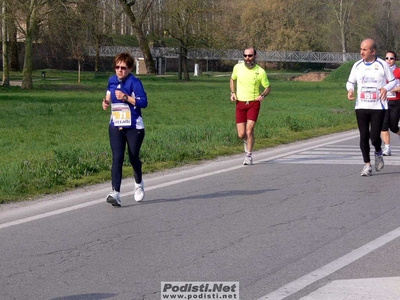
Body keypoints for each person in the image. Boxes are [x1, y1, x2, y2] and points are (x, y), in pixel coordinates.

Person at [102, 52, 148, 206]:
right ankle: (115, 193)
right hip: (116, 124)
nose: (119, 70)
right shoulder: (112, 80)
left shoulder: (135, 83)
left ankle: (138, 183)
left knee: (133, 157)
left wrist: (126, 98)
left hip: (134, 126)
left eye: (123, 68)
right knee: (117, 157)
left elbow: (144, 102)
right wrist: (106, 102)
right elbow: (109, 93)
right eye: (117, 67)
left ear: (129, 69)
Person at [346, 38, 396, 176]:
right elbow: (350, 82)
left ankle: (378, 152)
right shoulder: (357, 65)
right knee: (363, 136)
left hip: (378, 107)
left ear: (373, 51)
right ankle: (367, 165)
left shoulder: (382, 65)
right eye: (361, 49)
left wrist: (385, 88)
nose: (361, 52)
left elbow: (392, 81)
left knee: (374, 137)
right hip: (361, 105)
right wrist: (350, 90)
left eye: (365, 49)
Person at [230, 47, 271, 165]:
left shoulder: (261, 71)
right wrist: (233, 93)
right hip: (240, 103)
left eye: (250, 56)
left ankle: (248, 155)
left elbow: (268, 87)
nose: (247, 58)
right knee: (241, 134)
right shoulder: (237, 68)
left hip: (253, 103)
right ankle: (247, 141)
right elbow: (232, 79)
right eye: (245, 56)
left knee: (249, 130)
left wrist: (263, 95)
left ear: (255, 56)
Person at [381, 51, 400, 156]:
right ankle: (387, 148)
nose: (389, 60)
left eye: (391, 58)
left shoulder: (398, 71)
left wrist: (397, 88)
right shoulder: (381, 72)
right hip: (383, 102)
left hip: (396, 102)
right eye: (386, 58)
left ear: (395, 60)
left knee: (393, 127)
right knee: (383, 126)